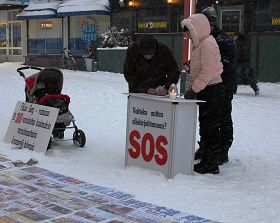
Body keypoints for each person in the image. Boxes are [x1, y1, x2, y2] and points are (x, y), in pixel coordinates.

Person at [181, 13, 225, 174]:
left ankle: (211, 163)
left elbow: (207, 72)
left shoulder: (207, 44)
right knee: (206, 126)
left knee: (210, 127)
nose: (186, 35)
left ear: (195, 29)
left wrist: (194, 90)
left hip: (212, 90)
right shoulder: (202, 43)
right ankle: (207, 157)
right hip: (207, 89)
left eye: (187, 32)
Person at [199, 6, 236, 165]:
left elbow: (225, 66)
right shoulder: (206, 39)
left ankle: (222, 150)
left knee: (222, 118)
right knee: (207, 119)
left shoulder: (223, 41)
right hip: (208, 86)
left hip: (222, 87)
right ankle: (206, 148)